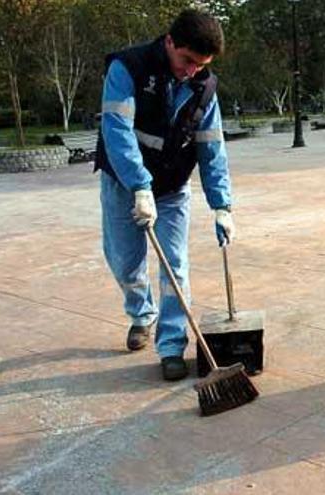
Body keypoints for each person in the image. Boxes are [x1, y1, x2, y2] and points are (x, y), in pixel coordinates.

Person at [94, 9, 235, 381]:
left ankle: (172, 345)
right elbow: (117, 129)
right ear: (170, 41)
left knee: (175, 266)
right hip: (123, 183)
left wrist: (222, 205)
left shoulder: (204, 87)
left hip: (172, 187)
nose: (191, 71)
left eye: (200, 65)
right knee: (125, 261)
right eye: (187, 60)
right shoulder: (129, 68)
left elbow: (211, 147)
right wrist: (139, 185)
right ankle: (142, 314)